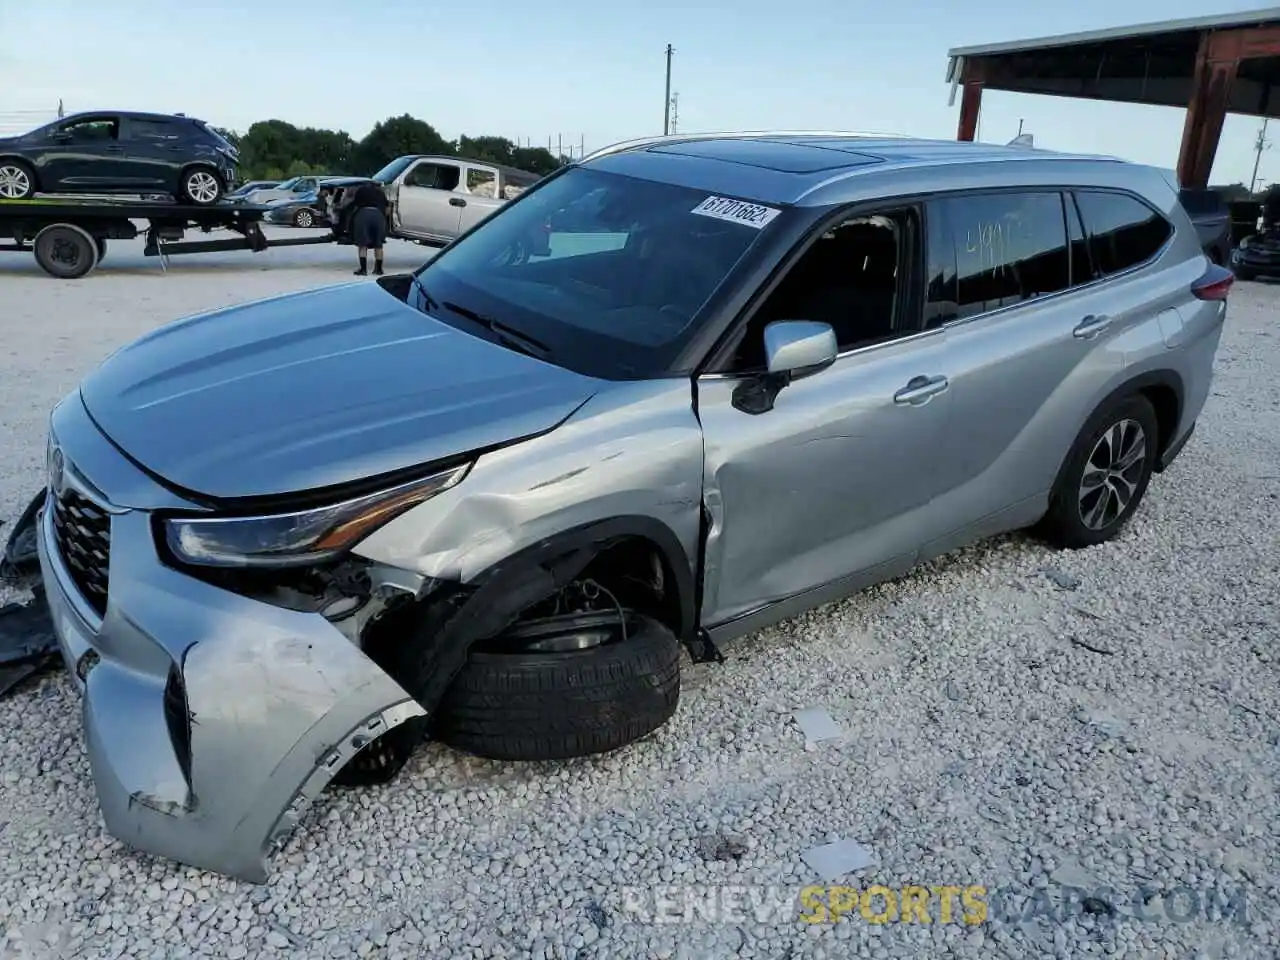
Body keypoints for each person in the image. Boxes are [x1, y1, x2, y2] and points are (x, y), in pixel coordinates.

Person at [349, 182, 390, 276]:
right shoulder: (380, 192)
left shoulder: (360, 191)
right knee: (378, 244)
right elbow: (387, 209)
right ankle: (379, 269)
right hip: (378, 215)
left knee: (362, 244)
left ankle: (363, 270)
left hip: (364, 214)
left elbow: (355, 205)